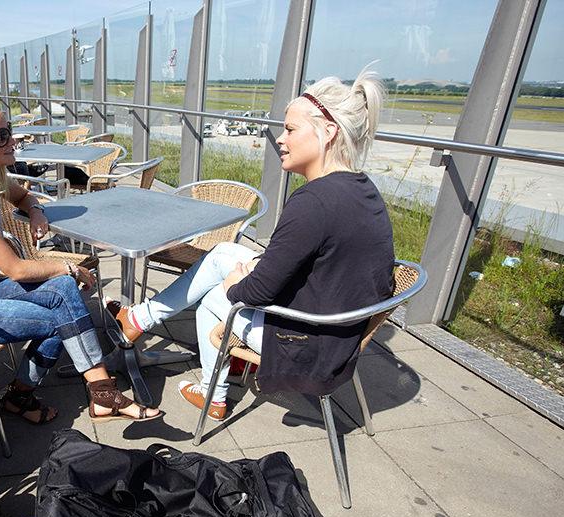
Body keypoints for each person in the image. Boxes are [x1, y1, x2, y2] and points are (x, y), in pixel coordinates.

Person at [113, 67, 394, 421]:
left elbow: (256, 292)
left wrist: (236, 285)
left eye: (291, 129)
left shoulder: (313, 202)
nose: (280, 138)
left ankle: (210, 393)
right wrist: (251, 270)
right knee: (223, 253)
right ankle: (141, 319)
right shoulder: (360, 188)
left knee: (214, 300)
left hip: (309, 346)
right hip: (338, 328)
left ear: (328, 132)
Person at [0, 95, 161, 424]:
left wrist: (36, 212)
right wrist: (69, 265)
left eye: (9, 130)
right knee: (67, 315)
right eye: (0, 136)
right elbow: (15, 269)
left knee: (64, 294)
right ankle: (92, 393)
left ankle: (77, 394)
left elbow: (24, 196)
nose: (12, 140)